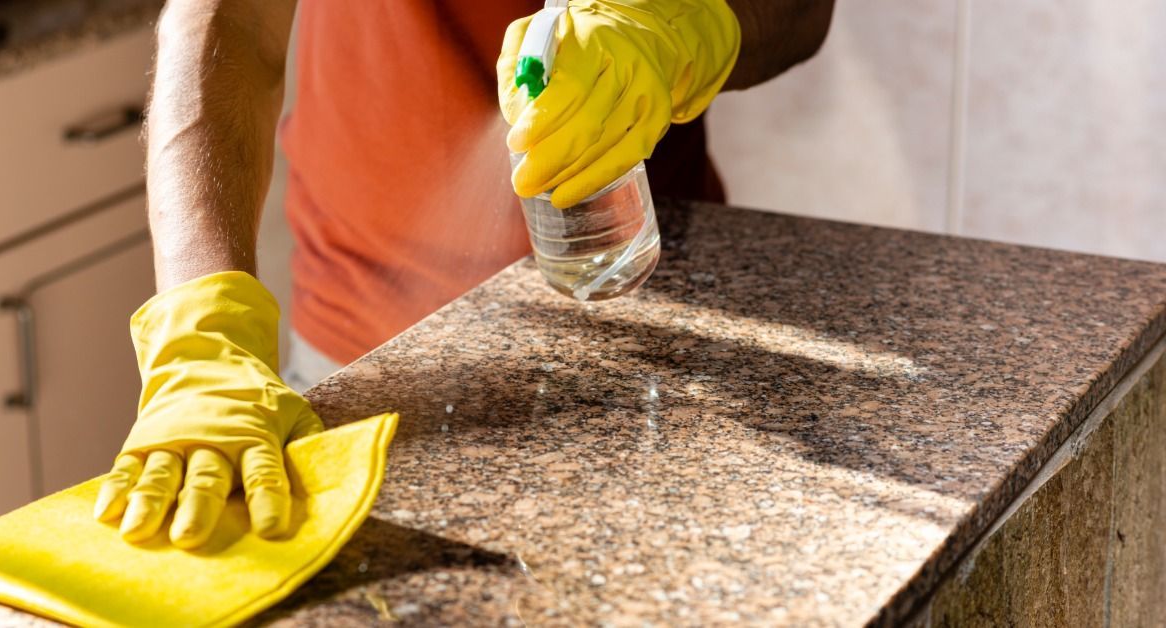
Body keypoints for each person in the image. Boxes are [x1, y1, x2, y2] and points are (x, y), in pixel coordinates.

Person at [91, 0, 834, 549]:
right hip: (370, 357)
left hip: (656, 324)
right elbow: (226, 21)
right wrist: (202, 325)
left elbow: (800, 13)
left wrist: (678, 25)